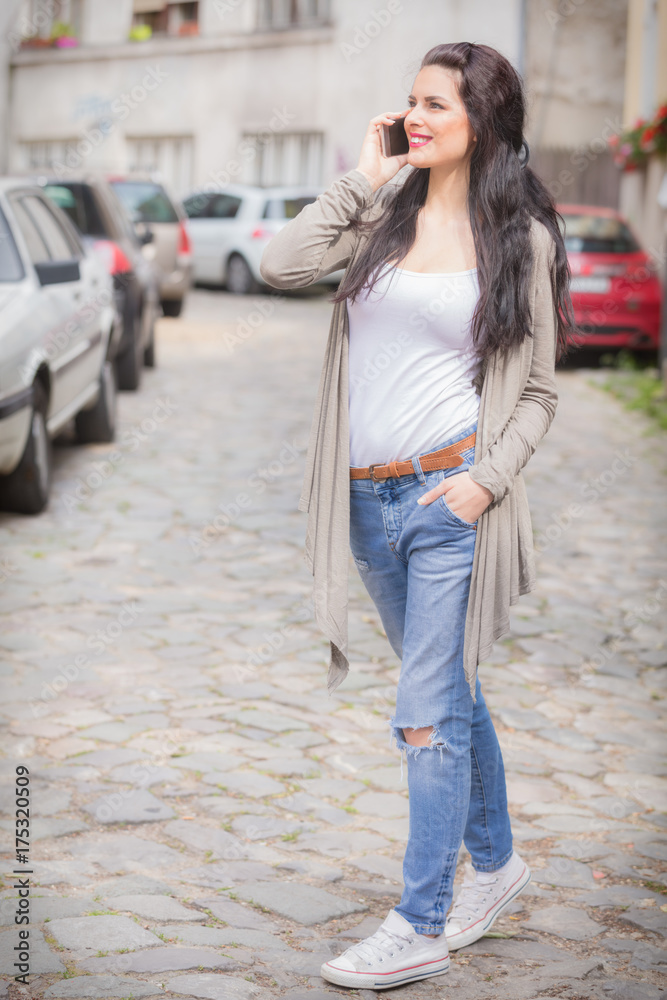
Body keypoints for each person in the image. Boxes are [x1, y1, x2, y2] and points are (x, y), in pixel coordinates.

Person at [260, 40, 574, 993]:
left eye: (437, 102)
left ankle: (420, 919)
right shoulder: (383, 221)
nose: (418, 116)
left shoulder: (519, 240)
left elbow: (540, 396)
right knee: (446, 693)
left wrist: (484, 482)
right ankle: (499, 860)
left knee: (424, 715)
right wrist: (362, 181)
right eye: (411, 102)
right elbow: (280, 265)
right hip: (365, 501)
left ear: (483, 117)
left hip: (447, 501)